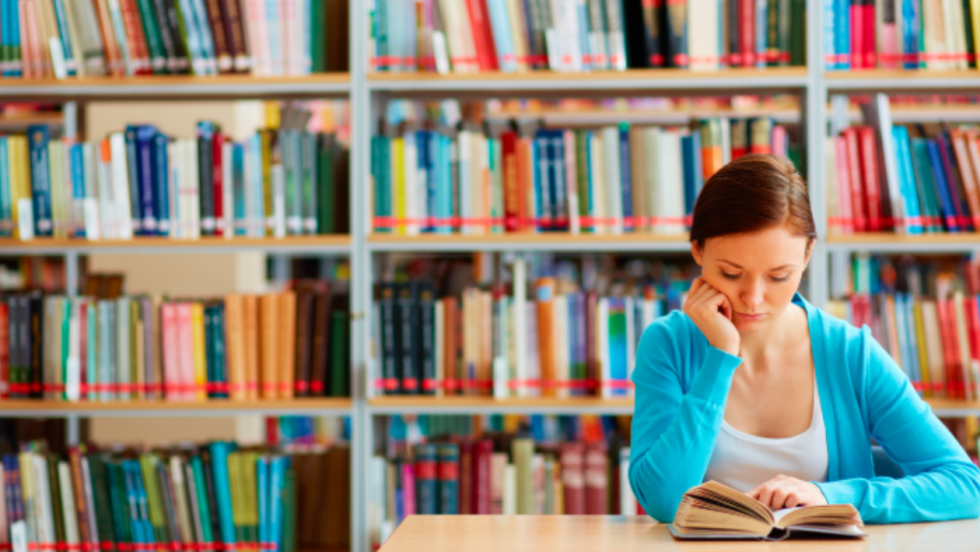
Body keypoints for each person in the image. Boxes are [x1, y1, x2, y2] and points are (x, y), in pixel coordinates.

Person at [628, 154, 980, 524]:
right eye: (731, 273)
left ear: (808, 254)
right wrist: (720, 357)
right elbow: (664, 501)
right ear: (697, 250)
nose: (753, 297)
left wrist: (830, 496)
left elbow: (966, 485)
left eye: (778, 276)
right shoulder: (668, 344)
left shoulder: (849, 354)